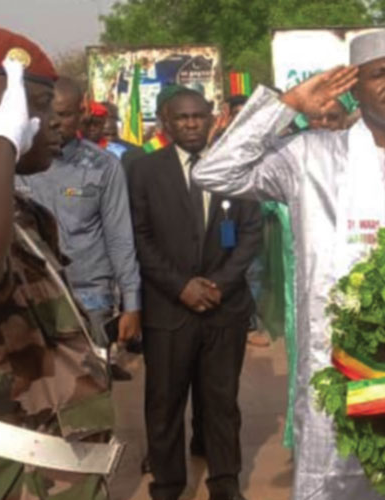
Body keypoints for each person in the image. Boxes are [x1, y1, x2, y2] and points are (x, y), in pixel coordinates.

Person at [193, 29, 385, 499]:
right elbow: (214, 171)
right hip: (335, 362)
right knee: (333, 481)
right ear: (353, 88)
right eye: (380, 74)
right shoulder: (310, 157)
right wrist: (288, 104)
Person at [0, 25, 117, 497]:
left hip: (41, 471)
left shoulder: (8, 207)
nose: (53, 122)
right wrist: (1, 140)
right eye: (37, 106)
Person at [127, 86, 261, 500]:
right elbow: (139, 236)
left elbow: (251, 232)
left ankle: (225, 481)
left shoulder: (234, 166)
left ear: (212, 118)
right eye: (181, 117)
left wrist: (221, 283)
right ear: (166, 123)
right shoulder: (144, 170)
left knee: (221, 401)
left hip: (225, 307)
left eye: (198, 116)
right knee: (164, 402)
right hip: (169, 308)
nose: (190, 124)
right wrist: (180, 286)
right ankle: (168, 484)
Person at [15, 77, 142, 380]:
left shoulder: (103, 166)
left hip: (90, 298)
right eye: (48, 113)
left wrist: (132, 304)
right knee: (38, 390)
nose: (55, 122)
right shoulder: (14, 163)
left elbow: (120, 237)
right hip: (29, 299)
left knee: (91, 391)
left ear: (81, 113)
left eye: (64, 114)